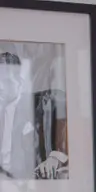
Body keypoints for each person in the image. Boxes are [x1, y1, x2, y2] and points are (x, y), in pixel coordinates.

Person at [0, 50, 69, 180]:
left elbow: (73, 116)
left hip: (31, 186)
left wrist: (55, 156)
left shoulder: (43, 102)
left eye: (5, 81)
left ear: (19, 82)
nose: (0, 87)